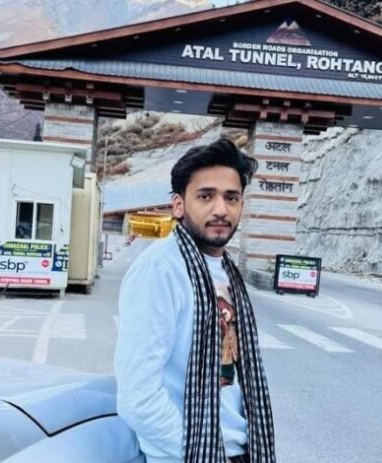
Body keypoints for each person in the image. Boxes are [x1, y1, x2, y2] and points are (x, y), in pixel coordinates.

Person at [114, 138, 276, 463]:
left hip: (237, 451)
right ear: (178, 205)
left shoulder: (226, 271)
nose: (221, 209)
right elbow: (138, 397)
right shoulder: (160, 270)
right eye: (205, 196)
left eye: (231, 197)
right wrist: (199, 454)